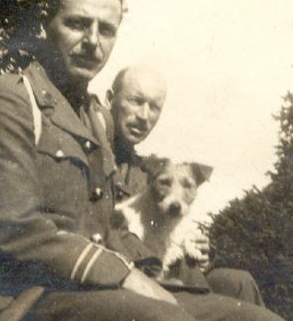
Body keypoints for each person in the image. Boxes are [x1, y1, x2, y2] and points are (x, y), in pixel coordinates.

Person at [0, 0, 292, 321]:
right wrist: (123, 274)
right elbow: (18, 229)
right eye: (77, 24)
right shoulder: (8, 101)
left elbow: (102, 227)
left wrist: (154, 266)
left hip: (90, 292)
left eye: (106, 30)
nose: (92, 42)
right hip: (20, 298)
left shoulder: (93, 117)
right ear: (47, 24)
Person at [107, 64, 266, 307]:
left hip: (163, 264)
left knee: (239, 281)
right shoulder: (94, 155)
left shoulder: (147, 168)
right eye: (136, 101)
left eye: (154, 107)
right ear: (111, 99)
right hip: (128, 272)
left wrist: (202, 253)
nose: (144, 115)